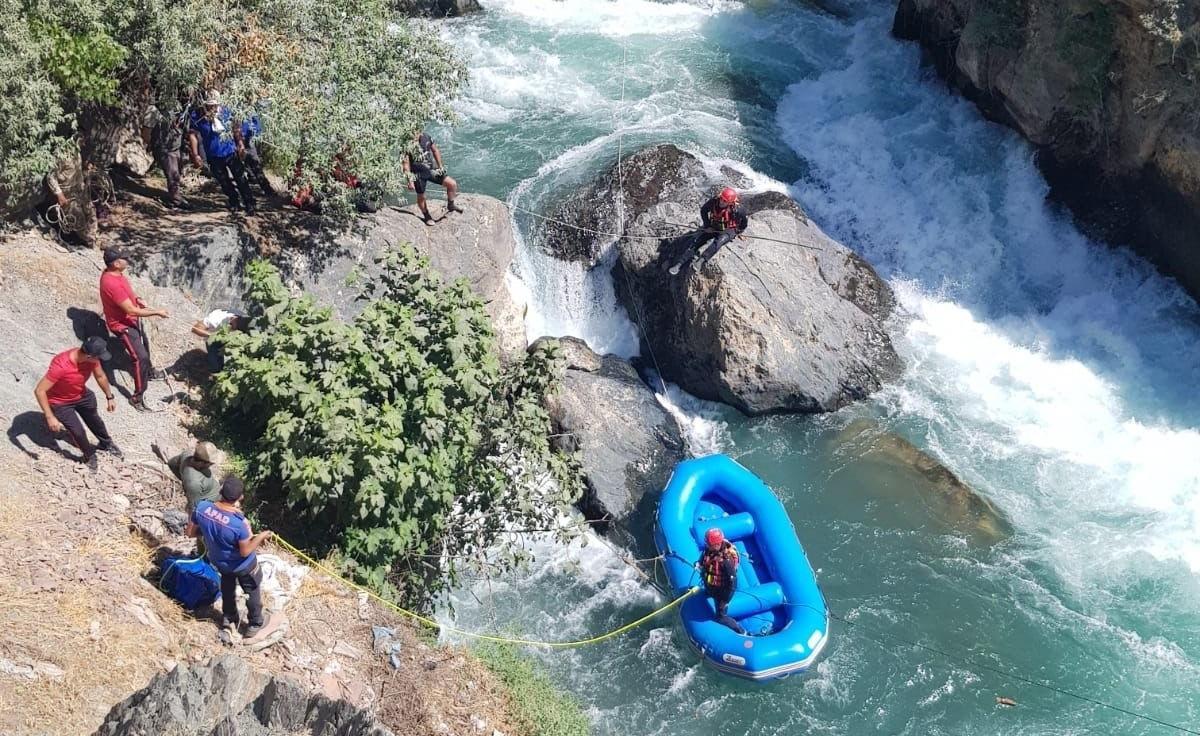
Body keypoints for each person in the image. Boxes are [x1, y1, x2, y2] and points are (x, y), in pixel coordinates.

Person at [185, 477, 272, 638]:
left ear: (220, 491)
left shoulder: (202, 508)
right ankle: (255, 623)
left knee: (227, 587)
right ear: (240, 498)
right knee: (252, 589)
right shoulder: (239, 523)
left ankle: (229, 617)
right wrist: (262, 536)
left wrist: (211, 534)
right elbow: (245, 551)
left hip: (220, 562)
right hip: (243, 565)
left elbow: (190, 532)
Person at [33, 336, 122, 471]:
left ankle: (106, 443)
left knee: (95, 420)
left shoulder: (92, 360)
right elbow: (40, 390)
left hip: (82, 395)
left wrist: (110, 397)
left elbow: (100, 376)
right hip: (60, 402)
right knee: (78, 432)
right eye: (98, 357)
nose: (99, 360)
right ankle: (89, 455)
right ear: (89, 355)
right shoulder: (61, 365)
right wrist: (50, 416)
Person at [99, 248, 168, 411]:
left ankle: (149, 373)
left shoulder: (116, 274)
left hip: (130, 320)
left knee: (144, 344)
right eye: (125, 259)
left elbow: (127, 295)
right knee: (140, 357)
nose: (128, 261)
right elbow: (130, 310)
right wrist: (157, 312)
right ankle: (137, 397)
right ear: (116, 263)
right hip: (123, 325)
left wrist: (136, 299)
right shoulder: (111, 283)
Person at [188, 90, 256, 215]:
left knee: (241, 178)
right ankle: (234, 201)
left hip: (230, 152)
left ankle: (249, 203)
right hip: (213, 155)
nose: (212, 108)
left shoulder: (226, 112)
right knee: (224, 181)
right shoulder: (197, 116)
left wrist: (240, 145)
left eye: (214, 105)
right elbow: (193, 135)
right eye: (209, 105)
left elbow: (236, 129)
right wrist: (195, 154)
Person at [667, 187, 749, 275]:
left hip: (728, 229)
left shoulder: (738, 209)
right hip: (714, 225)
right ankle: (679, 263)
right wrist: (707, 225)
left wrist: (738, 231)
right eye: (721, 198)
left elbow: (744, 222)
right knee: (698, 241)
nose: (721, 202)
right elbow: (704, 210)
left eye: (725, 201)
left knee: (718, 242)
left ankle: (702, 260)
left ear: (730, 202)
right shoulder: (714, 201)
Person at [141, 89, 193, 208]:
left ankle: (176, 195)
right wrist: (152, 145)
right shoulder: (153, 110)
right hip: (164, 148)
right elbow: (146, 132)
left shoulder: (175, 107)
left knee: (176, 174)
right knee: (172, 174)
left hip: (176, 146)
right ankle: (176, 200)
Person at [402, 130, 462, 226]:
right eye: (413, 133)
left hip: (431, 170)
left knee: (452, 184)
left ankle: (451, 205)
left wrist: (440, 166)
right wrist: (409, 180)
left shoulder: (427, 137)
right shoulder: (406, 145)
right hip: (418, 174)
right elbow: (405, 164)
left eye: (417, 132)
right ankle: (427, 216)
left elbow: (435, 150)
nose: (415, 135)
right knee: (421, 196)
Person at [698, 527, 746, 634]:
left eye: (708, 544)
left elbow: (733, 583)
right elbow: (704, 556)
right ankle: (709, 592)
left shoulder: (726, 561)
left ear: (716, 545)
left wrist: (725, 601)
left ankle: (740, 631)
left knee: (720, 617)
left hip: (721, 590)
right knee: (708, 590)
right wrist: (699, 563)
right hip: (710, 584)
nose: (707, 545)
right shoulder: (710, 549)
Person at [154, 440, 220, 512]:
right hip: (212, 502)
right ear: (202, 463)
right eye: (211, 463)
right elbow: (194, 508)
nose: (212, 465)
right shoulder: (194, 483)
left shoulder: (187, 455)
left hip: (213, 490)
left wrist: (180, 475)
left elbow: (172, 463)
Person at [239, 114, 275, 196]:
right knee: (246, 163)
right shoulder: (233, 107)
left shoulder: (251, 109)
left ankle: (266, 188)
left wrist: (254, 134)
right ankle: (263, 188)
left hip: (249, 139)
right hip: (240, 139)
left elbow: (257, 124)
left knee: (254, 163)